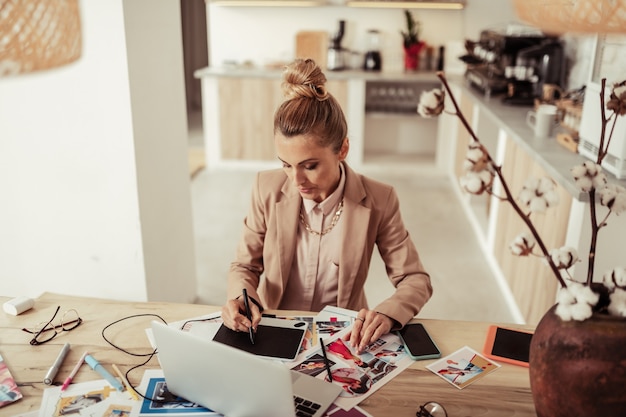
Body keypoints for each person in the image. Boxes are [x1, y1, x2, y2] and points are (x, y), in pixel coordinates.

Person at [221, 58, 432, 353]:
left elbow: (415, 279)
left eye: (309, 166)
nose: (296, 179)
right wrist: (242, 297)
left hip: (343, 337)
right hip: (274, 328)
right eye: (285, 165)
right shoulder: (266, 188)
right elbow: (244, 265)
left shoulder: (380, 199)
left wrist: (386, 313)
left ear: (342, 149)